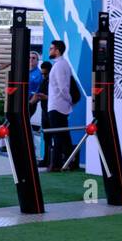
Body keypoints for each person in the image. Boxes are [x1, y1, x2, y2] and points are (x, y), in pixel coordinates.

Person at [46, 40, 77, 171]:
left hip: (57, 105)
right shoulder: (62, 64)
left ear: (57, 50)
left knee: (58, 135)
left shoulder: (59, 66)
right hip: (59, 105)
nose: (50, 50)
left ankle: (56, 164)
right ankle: (70, 162)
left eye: (51, 48)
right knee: (63, 136)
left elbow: (63, 87)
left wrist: (69, 99)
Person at [29, 60, 52, 168]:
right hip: (45, 111)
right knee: (46, 137)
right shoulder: (43, 81)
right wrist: (29, 104)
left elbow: (61, 97)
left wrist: (45, 97)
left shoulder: (54, 82)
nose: (43, 76)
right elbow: (37, 95)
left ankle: (55, 161)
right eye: (42, 74)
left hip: (54, 112)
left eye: (45, 74)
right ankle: (46, 160)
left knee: (56, 136)